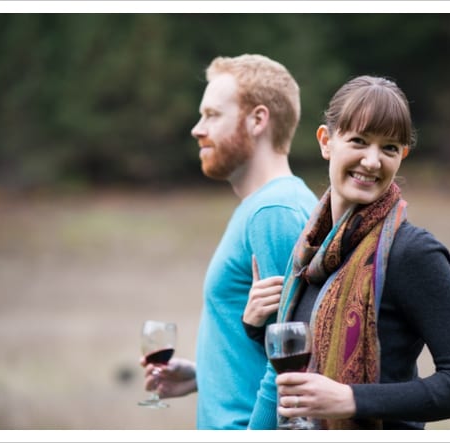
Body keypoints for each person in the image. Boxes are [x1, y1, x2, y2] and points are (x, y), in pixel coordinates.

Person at [247, 75, 450, 430]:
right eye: (359, 141)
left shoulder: (413, 253)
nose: (372, 161)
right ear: (326, 141)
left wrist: (350, 399)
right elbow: (300, 363)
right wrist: (255, 324)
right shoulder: (311, 247)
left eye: (389, 148)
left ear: (402, 156)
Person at [140, 54, 318, 429]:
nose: (196, 128)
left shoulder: (274, 211)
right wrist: (202, 377)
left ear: (257, 120)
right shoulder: (262, 206)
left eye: (212, 115)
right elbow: (262, 342)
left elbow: (298, 363)